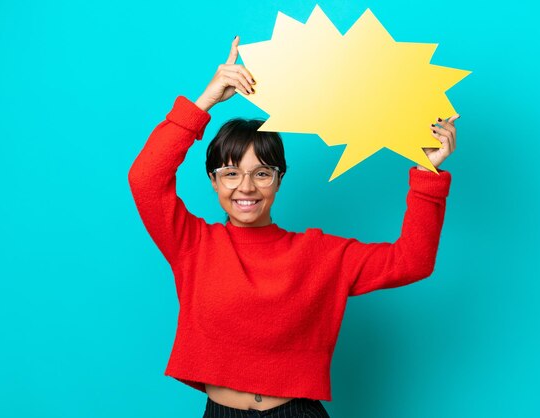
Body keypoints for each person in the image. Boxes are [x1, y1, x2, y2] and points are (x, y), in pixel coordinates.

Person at [128, 35, 457, 418]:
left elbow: (412, 261)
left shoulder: (320, 253)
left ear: (280, 179)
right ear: (213, 181)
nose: (246, 187)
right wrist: (206, 101)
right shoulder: (194, 244)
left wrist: (427, 173)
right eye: (231, 173)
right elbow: (145, 179)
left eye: (262, 173)